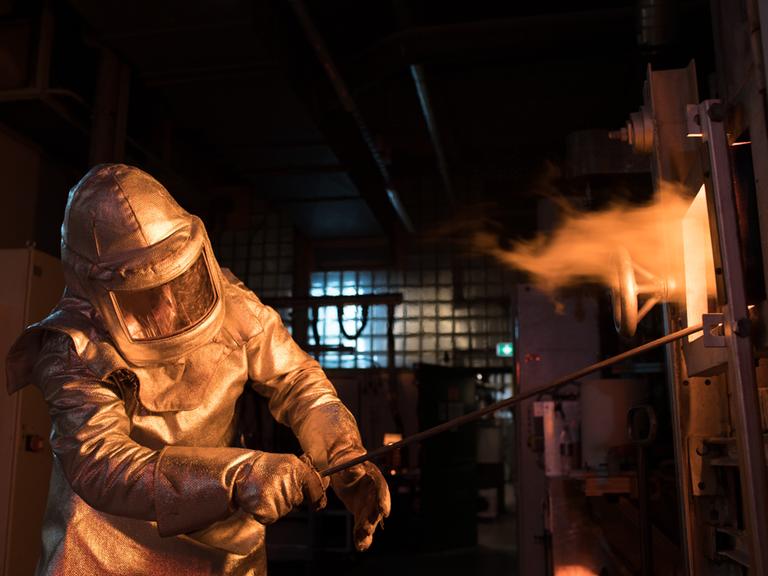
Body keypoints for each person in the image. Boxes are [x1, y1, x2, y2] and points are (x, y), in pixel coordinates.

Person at [6, 164, 390, 575]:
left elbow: (297, 382)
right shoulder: (73, 348)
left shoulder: (233, 306)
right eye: (146, 293)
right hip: (103, 548)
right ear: (96, 293)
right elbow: (102, 463)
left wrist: (345, 458)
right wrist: (239, 477)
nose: (171, 304)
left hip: (224, 541)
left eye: (179, 276)